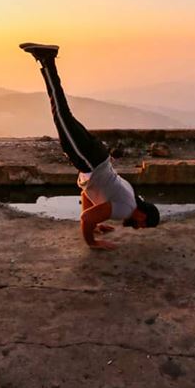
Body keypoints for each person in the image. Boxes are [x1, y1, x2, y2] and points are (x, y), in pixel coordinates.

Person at [20, 42, 160, 250]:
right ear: (142, 214)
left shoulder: (130, 198)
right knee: (60, 112)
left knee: (63, 114)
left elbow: (88, 195)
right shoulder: (125, 209)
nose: (138, 228)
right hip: (90, 161)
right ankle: (47, 60)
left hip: (97, 156)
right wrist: (92, 242)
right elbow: (86, 217)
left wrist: (97, 222)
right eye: (142, 224)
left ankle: (46, 60)